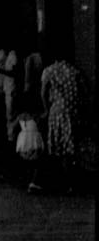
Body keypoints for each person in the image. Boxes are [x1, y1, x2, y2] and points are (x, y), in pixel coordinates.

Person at [40, 53, 86, 190]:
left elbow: (43, 92)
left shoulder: (49, 70)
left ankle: (58, 179)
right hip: (72, 112)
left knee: (56, 145)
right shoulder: (75, 71)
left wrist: (46, 109)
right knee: (70, 146)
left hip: (57, 111)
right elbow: (84, 91)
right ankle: (71, 182)